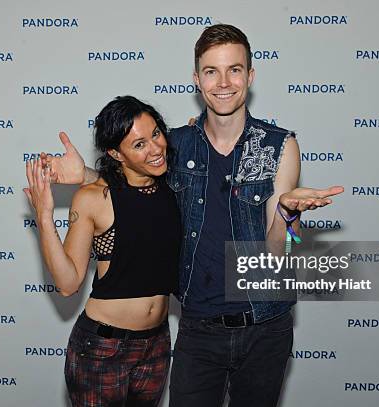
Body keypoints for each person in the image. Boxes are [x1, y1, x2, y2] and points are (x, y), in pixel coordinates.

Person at [42, 25, 343, 407]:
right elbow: (133, 183)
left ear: (250, 76)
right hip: (199, 327)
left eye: (235, 69)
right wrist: (86, 175)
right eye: (211, 71)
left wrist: (286, 212)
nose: (223, 82)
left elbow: (273, 256)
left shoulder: (279, 145)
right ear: (196, 79)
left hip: (266, 323)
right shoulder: (175, 143)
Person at [24, 96, 180, 406]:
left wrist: (84, 173)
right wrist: (44, 216)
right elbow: (68, 283)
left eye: (156, 134)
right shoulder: (92, 198)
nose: (155, 148)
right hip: (103, 348)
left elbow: (136, 196)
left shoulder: (175, 184)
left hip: (157, 345)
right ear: (114, 153)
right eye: (138, 145)